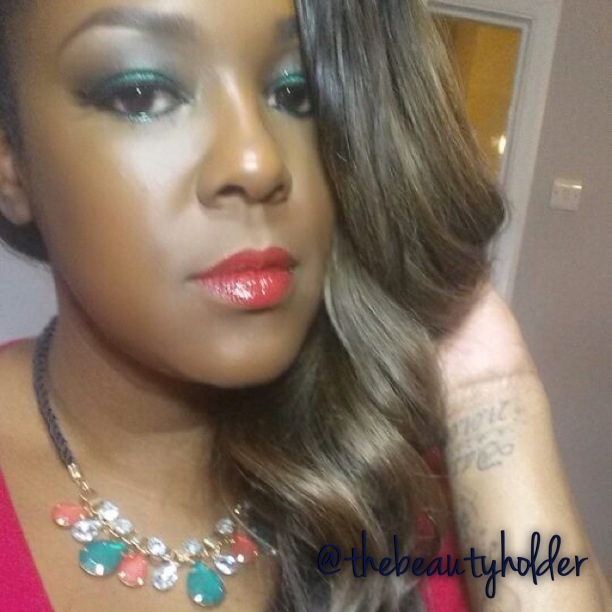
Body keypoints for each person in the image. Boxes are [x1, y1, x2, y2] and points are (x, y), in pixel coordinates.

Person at [0, 0, 608, 610]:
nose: (258, 162)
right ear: (10, 165)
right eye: (141, 95)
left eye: (298, 94)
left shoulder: (401, 475)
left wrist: (493, 389)